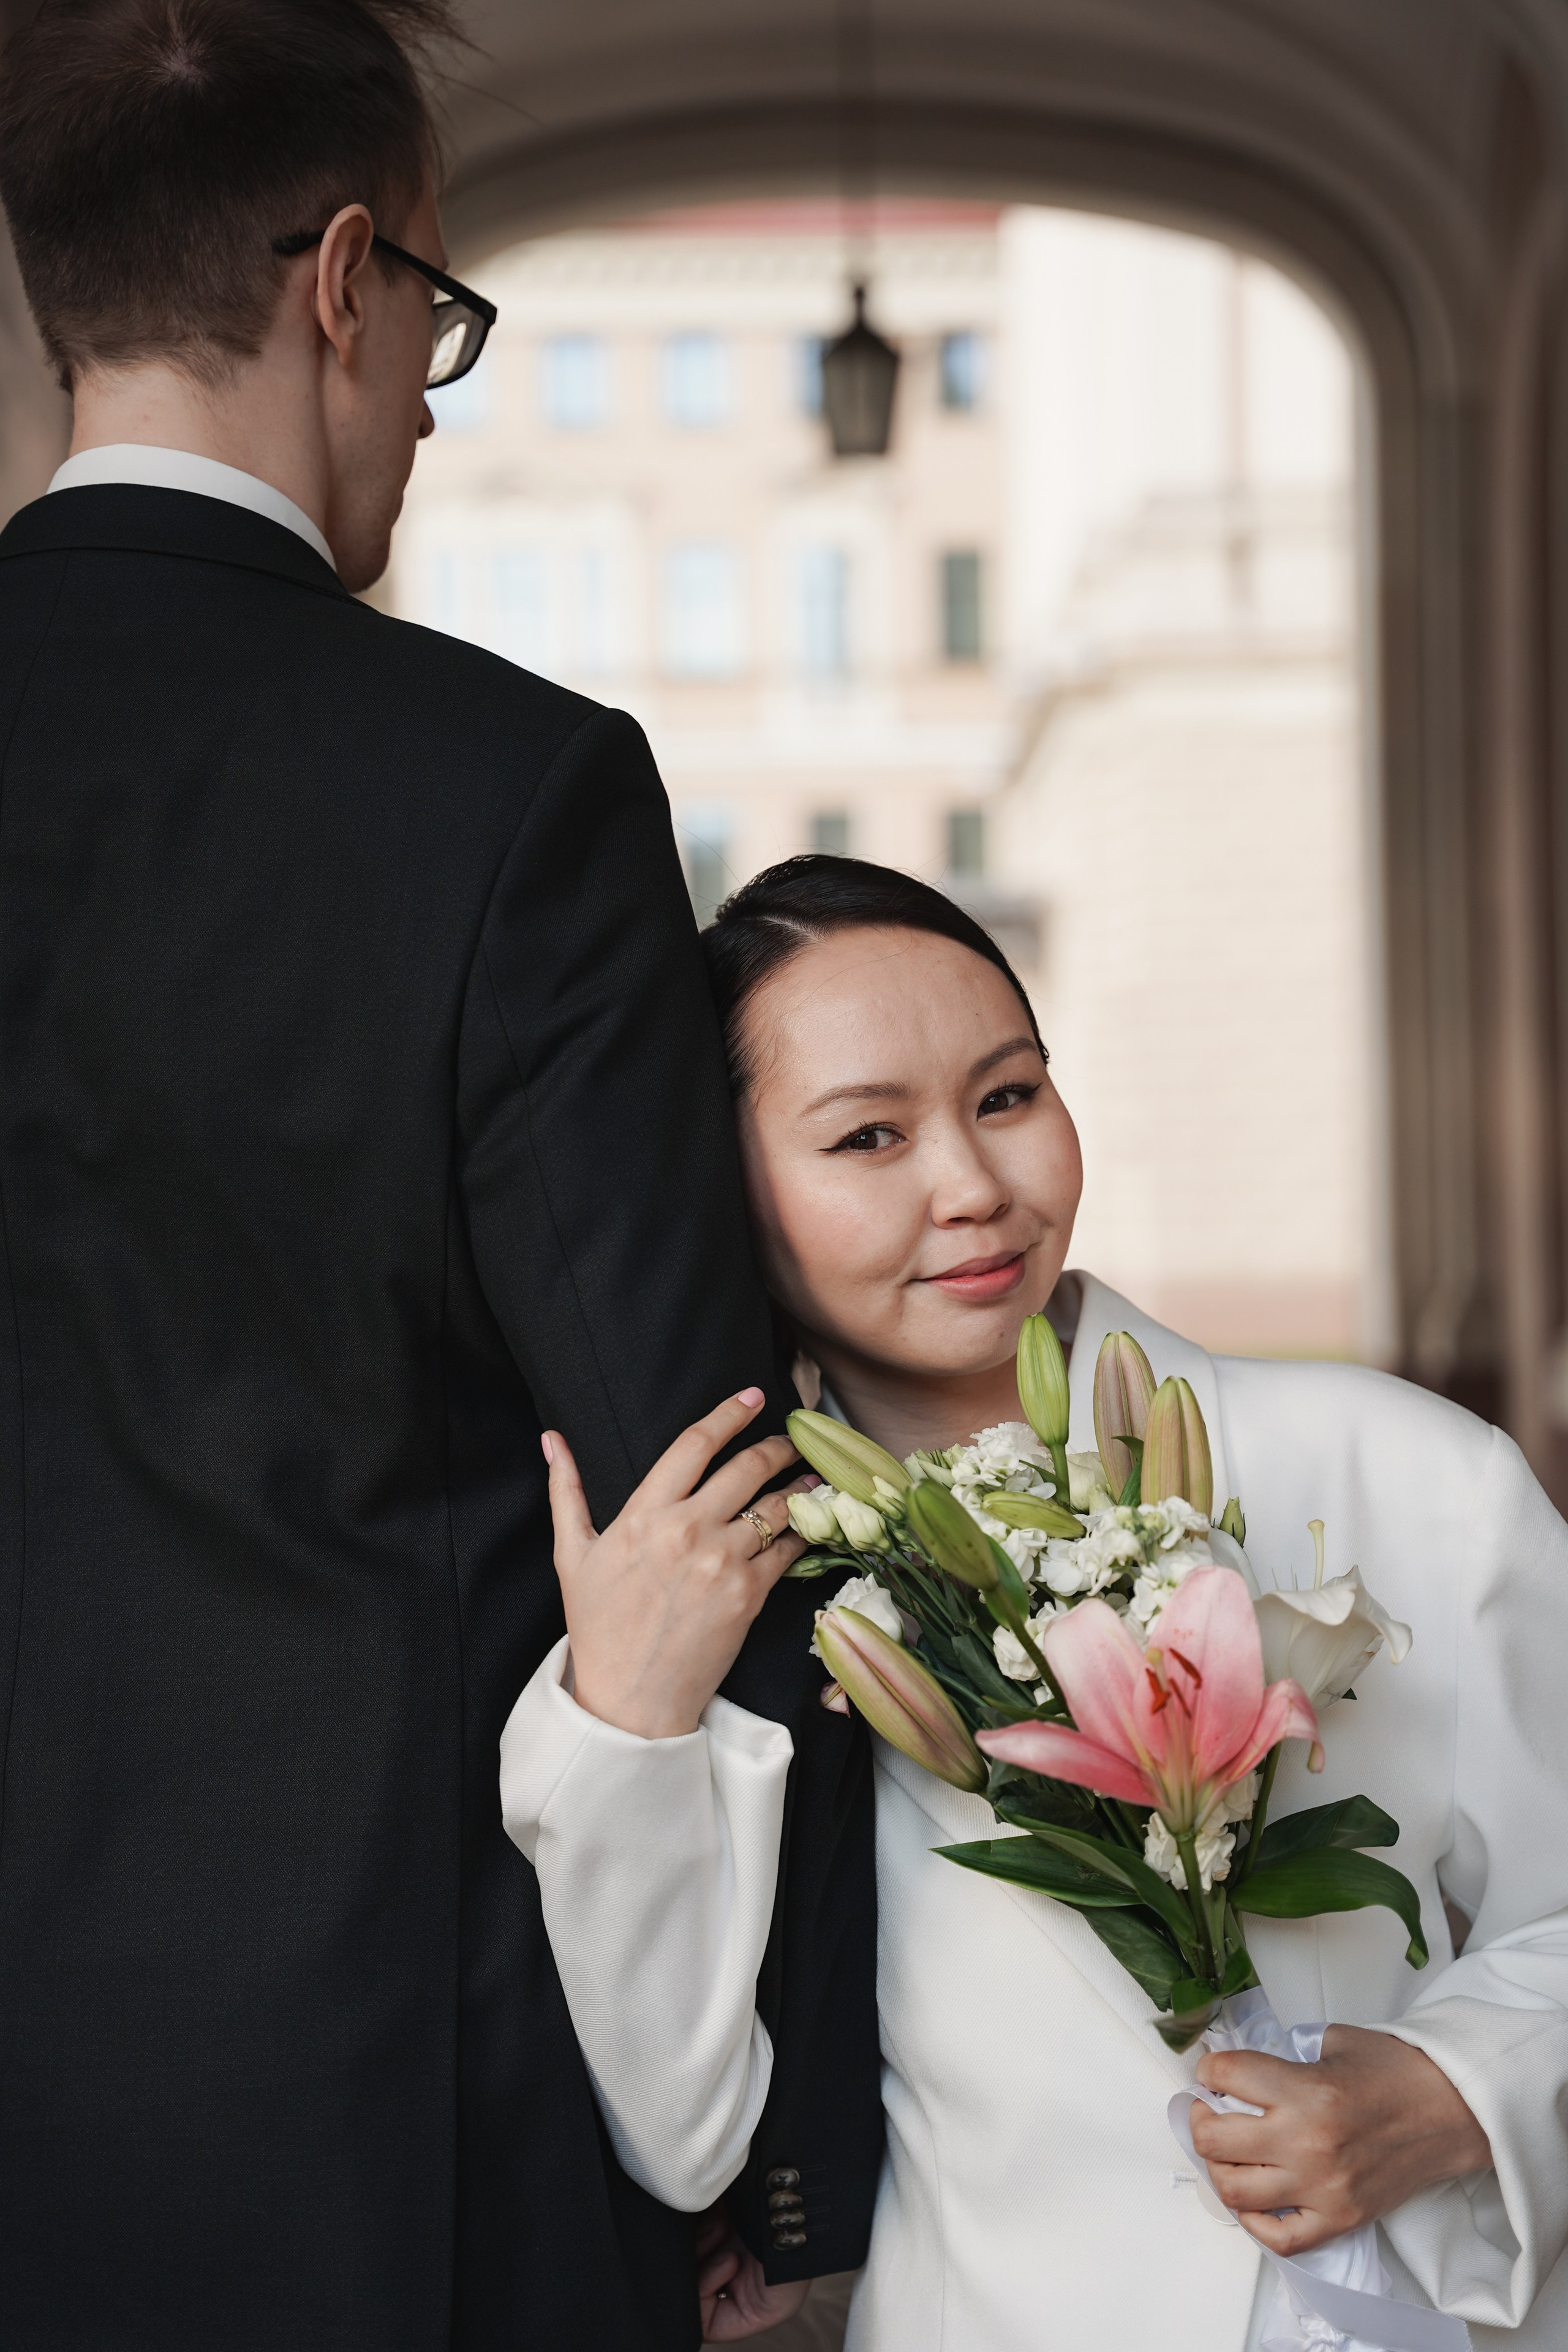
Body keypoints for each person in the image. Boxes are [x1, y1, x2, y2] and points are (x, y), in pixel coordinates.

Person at [0, 9, 880, 2346]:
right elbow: (694, 1477)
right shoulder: (511, 793)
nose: (418, 397)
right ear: (346, 282)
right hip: (389, 2110)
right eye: (436, 330)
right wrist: (776, 2156)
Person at [504, 853, 1568, 2350]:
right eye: (866, 1136)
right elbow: (682, 2131)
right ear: (715, 1181)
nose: (973, 1188)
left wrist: (1458, 2091)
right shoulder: (730, 1598)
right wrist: (623, 1723)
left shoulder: (1398, 1474)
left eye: (1006, 1096)